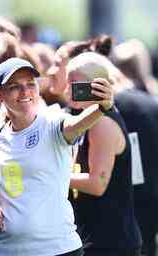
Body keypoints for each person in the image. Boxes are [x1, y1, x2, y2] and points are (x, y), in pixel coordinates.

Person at [0, 57, 114, 256]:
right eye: (15, 86)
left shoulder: (52, 122)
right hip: (6, 250)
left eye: (30, 84)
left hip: (59, 249)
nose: (25, 92)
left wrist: (103, 107)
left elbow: (76, 124)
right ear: (0, 95)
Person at [66, 52, 142, 256]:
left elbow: (97, 184)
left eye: (74, 84)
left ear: (96, 85)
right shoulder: (88, 119)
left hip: (111, 241)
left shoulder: (102, 123)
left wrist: (55, 176)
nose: (68, 90)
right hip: (99, 237)